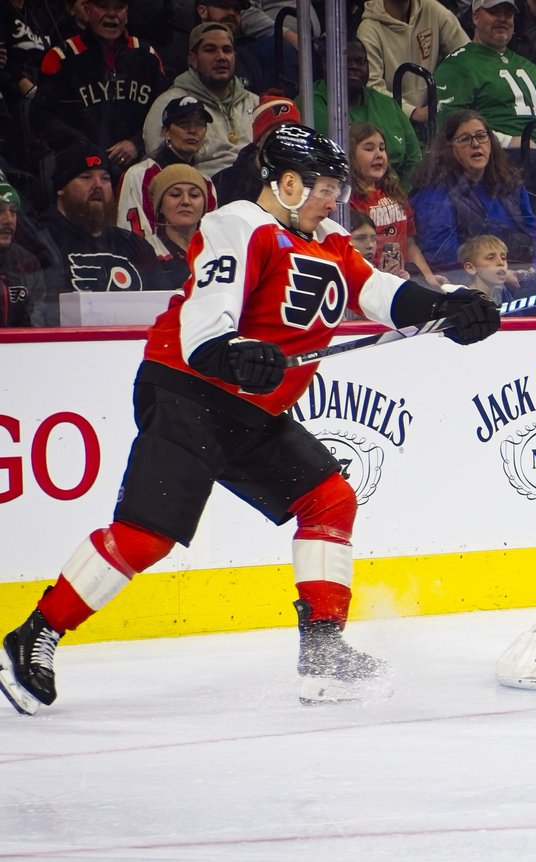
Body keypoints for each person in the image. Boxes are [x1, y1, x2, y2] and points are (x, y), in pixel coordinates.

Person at [0, 124, 501, 716]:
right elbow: (204, 330)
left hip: (253, 410)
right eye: (322, 187)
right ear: (287, 183)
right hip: (189, 394)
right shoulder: (237, 225)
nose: (332, 199)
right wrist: (231, 351)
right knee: (147, 534)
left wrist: (446, 306)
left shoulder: (330, 240)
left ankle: (323, 652)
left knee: (330, 500)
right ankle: (36, 632)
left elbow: (380, 295)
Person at [434, 0, 536, 205]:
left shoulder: (530, 68)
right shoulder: (457, 65)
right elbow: (450, 125)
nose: (502, 19)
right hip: (504, 157)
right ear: (475, 16)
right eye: (494, 12)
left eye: (508, 13)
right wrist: (508, 141)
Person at [31, 143, 166, 326]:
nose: (98, 186)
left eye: (105, 178)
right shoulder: (39, 243)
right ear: (60, 188)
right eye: (86, 177)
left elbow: (163, 306)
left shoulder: (134, 245)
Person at [31, 0, 168, 173]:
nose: (112, 14)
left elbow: (165, 112)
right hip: (78, 166)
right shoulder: (61, 57)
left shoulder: (147, 55)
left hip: (138, 165)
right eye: (103, 6)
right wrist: (84, 146)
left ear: (127, 14)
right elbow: (41, 118)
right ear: (87, 11)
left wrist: (137, 143)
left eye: (119, 8)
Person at [409, 110, 536, 278]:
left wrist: (533, 269)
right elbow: (441, 251)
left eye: (481, 136)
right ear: (449, 147)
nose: (475, 144)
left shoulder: (509, 182)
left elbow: (535, 236)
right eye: (465, 139)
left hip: (518, 273)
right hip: (468, 280)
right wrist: (498, 273)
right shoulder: (434, 189)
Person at [142, 22, 259, 176]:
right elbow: (161, 167)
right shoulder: (169, 103)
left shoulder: (255, 103)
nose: (221, 57)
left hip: (254, 189)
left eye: (227, 50)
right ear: (192, 59)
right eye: (210, 50)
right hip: (199, 191)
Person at [312, 39, 423, 187]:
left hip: (396, 195)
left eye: (360, 62)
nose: (354, 67)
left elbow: (413, 159)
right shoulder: (312, 103)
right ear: (326, 64)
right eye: (346, 62)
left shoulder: (386, 103)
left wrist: (399, 198)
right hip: (346, 198)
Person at [347, 121, 440, 285]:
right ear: (350, 156)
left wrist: (429, 278)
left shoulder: (396, 193)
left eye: (382, 148)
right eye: (369, 149)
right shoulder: (348, 200)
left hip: (402, 279)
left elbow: (410, 244)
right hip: (370, 282)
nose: (378, 154)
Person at [117, 95, 218, 238]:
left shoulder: (206, 182)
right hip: (152, 258)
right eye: (184, 123)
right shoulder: (139, 175)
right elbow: (133, 238)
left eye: (200, 124)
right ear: (166, 132)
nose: (193, 130)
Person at [356, 0, 468, 127]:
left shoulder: (432, 9)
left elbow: (467, 56)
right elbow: (372, 88)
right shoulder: (369, 29)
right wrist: (411, 112)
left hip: (433, 114)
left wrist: (454, 100)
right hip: (391, 120)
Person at [211, 92, 300, 204]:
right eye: (275, 133)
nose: (285, 140)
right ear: (259, 140)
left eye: (292, 133)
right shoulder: (225, 182)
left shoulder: (306, 180)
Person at [145, 162, 208, 290]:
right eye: (175, 194)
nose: (186, 201)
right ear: (160, 206)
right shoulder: (146, 251)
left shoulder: (216, 249)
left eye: (194, 195)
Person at [458, 232, 536, 314]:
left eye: (503, 258)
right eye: (490, 258)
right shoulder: (462, 306)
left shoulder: (506, 297)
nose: (501, 263)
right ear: (470, 268)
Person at [0, 180, 44, 327]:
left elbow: (36, 324)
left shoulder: (26, 262)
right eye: (0, 210)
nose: (8, 220)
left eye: (13, 211)